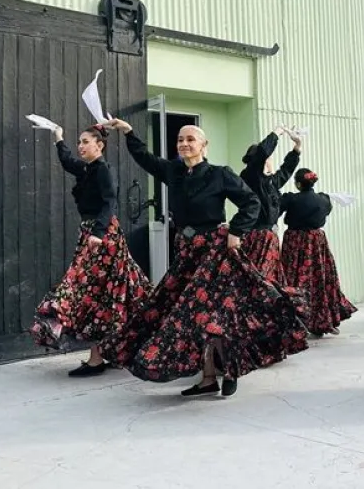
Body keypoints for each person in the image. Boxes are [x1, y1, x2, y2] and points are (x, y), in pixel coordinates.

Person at [100, 119, 308, 398]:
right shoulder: (173, 171)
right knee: (192, 315)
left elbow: (251, 203)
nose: (184, 144)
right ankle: (208, 377)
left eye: (190, 139)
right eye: (180, 140)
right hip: (187, 251)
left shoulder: (220, 174)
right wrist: (128, 133)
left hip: (215, 251)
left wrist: (236, 231)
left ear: (204, 145)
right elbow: (145, 159)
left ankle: (230, 369)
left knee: (215, 313)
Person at [31, 123, 150, 377]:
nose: (81, 146)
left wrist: (97, 234)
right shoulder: (87, 169)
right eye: (80, 142)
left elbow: (110, 202)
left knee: (92, 291)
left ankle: (99, 358)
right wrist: (58, 137)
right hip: (91, 233)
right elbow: (67, 161)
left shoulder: (104, 170)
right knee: (104, 292)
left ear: (100, 145)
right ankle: (111, 352)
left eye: (85, 142)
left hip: (102, 235)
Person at [280, 169, 356, 337]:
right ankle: (321, 320)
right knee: (319, 279)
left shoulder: (291, 199)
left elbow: (276, 208)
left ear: (298, 184)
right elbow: (327, 211)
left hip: (295, 242)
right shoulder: (323, 199)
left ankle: (296, 320)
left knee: (293, 279)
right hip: (316, 241)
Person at [238, 126, 301, 284]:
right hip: (256, 236)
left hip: (270, 236)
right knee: (259, 279)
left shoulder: (270, 182)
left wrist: (297, 147)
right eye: (268, 159)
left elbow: (286, 170)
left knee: (271, 278)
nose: (270, 162)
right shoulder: (250, 177)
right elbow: (261, 154)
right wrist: (277, 132)